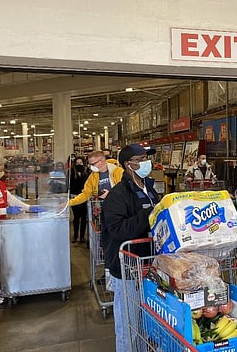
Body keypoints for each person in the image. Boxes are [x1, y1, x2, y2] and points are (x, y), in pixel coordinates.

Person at [102, 144, 160, 352]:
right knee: (128, 322)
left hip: (148, 264)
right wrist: (148, 214)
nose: (146, 162)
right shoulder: (118, 195)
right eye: (141, 158)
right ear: (129, 165)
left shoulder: (149, 187)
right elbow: (117, 230)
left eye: (147, 158)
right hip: (127, 268)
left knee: (145, 320)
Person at [0, 155, 45, 306]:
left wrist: (29, 207)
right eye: (0, 169)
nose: (3, 172)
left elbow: (10, 199)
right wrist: (5, 210)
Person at [67, 156, 90, 243]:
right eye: (77, 163)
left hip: (85, 197)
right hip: (74, 197)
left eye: (80, 163)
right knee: (76, 217)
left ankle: (82, 236)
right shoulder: (71, 172)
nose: (79, 165)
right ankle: (75, 235)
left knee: (84, 218)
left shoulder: (87, 172)